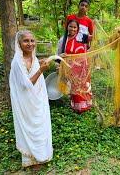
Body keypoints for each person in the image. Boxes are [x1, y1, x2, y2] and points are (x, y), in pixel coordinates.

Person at [9, 30, 53, 168]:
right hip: (25, 102)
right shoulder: (17, 62)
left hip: (37, 100)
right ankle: (30, 159)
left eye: (32, 41)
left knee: (40, 125)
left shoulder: (33, 57)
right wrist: (41, 70)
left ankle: (42, 155)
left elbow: (32, 67)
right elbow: (26, 84)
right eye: (26, 41)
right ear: (19, 43)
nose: (30, 44)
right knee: (29, 127)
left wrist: (39, 64)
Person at [57, 19, 92, 113]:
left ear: (78, 28)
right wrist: (60, 59)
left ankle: (86, 105)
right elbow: (58, 56)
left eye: (75, 27)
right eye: (70, 26)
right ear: (67, 27)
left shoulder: (81, 37)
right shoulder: (63, 40)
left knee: (84, 86)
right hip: (71, 69)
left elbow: (93, 38)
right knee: (75, 87)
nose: (72, 29)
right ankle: (77, 107)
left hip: (83, 67)